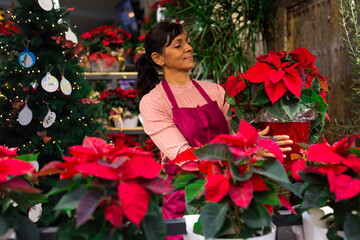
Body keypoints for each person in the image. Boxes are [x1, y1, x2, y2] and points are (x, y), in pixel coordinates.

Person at [135, 21, 292, 240]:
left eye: (187, 42)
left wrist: (263, 141)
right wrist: (246, 150)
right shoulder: (154, 102)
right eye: (178, 45)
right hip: (189, 200)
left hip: (231, 194)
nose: (189, 48)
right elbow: (185, 157)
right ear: (158, 59)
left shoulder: (215, 91)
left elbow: (239, 136)